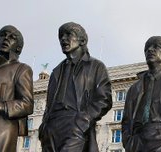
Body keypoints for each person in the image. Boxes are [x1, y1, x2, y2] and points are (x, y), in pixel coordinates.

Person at [39, 22, 112, 152]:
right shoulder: (56, 71)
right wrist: (44, 127)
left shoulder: (95, 66)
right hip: (51, 128)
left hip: (75, 123)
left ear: (82, 40)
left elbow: (104, 100)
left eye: (68, 35)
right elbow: (49, 105)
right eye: (61, 36)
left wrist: (83, 119)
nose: (63, 39)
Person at [121, 36, 161, 152]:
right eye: (147, 48)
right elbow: (126, 120)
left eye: (156, 47)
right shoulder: (134, 88)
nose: (150, 50)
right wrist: (128, 141)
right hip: (138, 140)